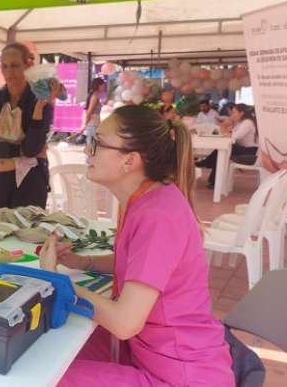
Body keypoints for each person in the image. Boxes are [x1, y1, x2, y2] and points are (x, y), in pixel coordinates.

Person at [39, 105, 233, 386]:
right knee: (49, 347)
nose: (87, 150)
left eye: (97, 143)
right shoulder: (146, 200)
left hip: (179, 374)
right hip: (152, 352)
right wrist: (84, 263)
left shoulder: (158, 216)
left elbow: (124, 322)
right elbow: (137, 262)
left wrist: (56, 281)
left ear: (129, 161)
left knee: (45, 375)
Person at [0, 43, 61, 217]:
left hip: (30, 180)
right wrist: (19, 149)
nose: (9, 72)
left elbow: (32, 148)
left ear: (27, 66)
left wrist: (38, 109)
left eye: (15, 66)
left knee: (25, 237)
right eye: (4, 66)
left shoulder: (41, 103)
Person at [196, 103, 259, 188]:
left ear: (241, 113)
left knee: (225, 150)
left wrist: (227, 126)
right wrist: (227, 126)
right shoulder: (240, 123)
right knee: (222, 151)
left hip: (250, 151)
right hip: (242, 148)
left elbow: (235, 136)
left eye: (234, 112)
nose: (232, 115)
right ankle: (213, 180)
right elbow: (228, 133)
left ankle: (207, 164)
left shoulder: (247, 123)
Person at [80, 77, 106, 145]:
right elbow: (89, 112)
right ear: (98, 85)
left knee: (92, 146)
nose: (104, 87)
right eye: (103, 85)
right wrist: (84, 125)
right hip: (92, 124)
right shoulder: (95, 96)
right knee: (91, 147)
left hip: (94, 124)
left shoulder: (95, 95)